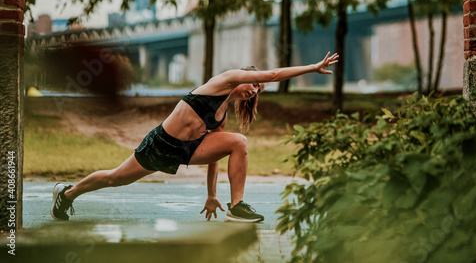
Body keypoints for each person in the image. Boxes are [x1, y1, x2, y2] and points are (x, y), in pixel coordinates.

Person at [50, 52, 339, 222]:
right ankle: (67, 194)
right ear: (242, 76)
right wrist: (312, 68)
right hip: (162, 143)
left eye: (258, 91)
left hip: (189, 150)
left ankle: (236, 205)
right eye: (254, 84)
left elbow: (215, 154)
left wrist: (212, 195)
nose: (255, 90)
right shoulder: (223, 82)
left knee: (238, 143)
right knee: (116, 178)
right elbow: (274, 74)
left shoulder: (223, 114)